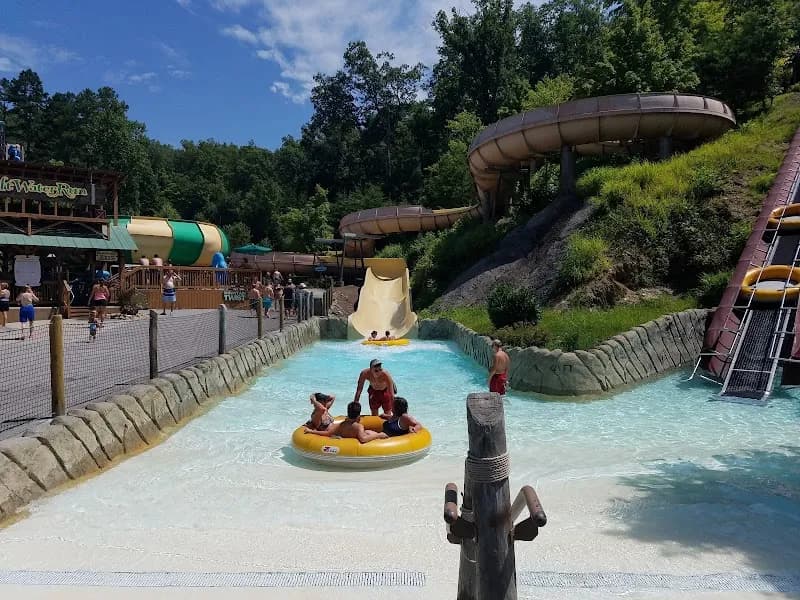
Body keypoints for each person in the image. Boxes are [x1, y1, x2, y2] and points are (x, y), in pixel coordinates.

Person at [304, 401, 388, 443]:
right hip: (355, 444)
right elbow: (363, 439)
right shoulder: (358, 427)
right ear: (358, 416)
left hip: (346, 439)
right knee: (369, 432)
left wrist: (311, 431)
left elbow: (328, 433)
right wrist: (378, 435)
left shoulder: (342, 424)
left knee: (367, 431)